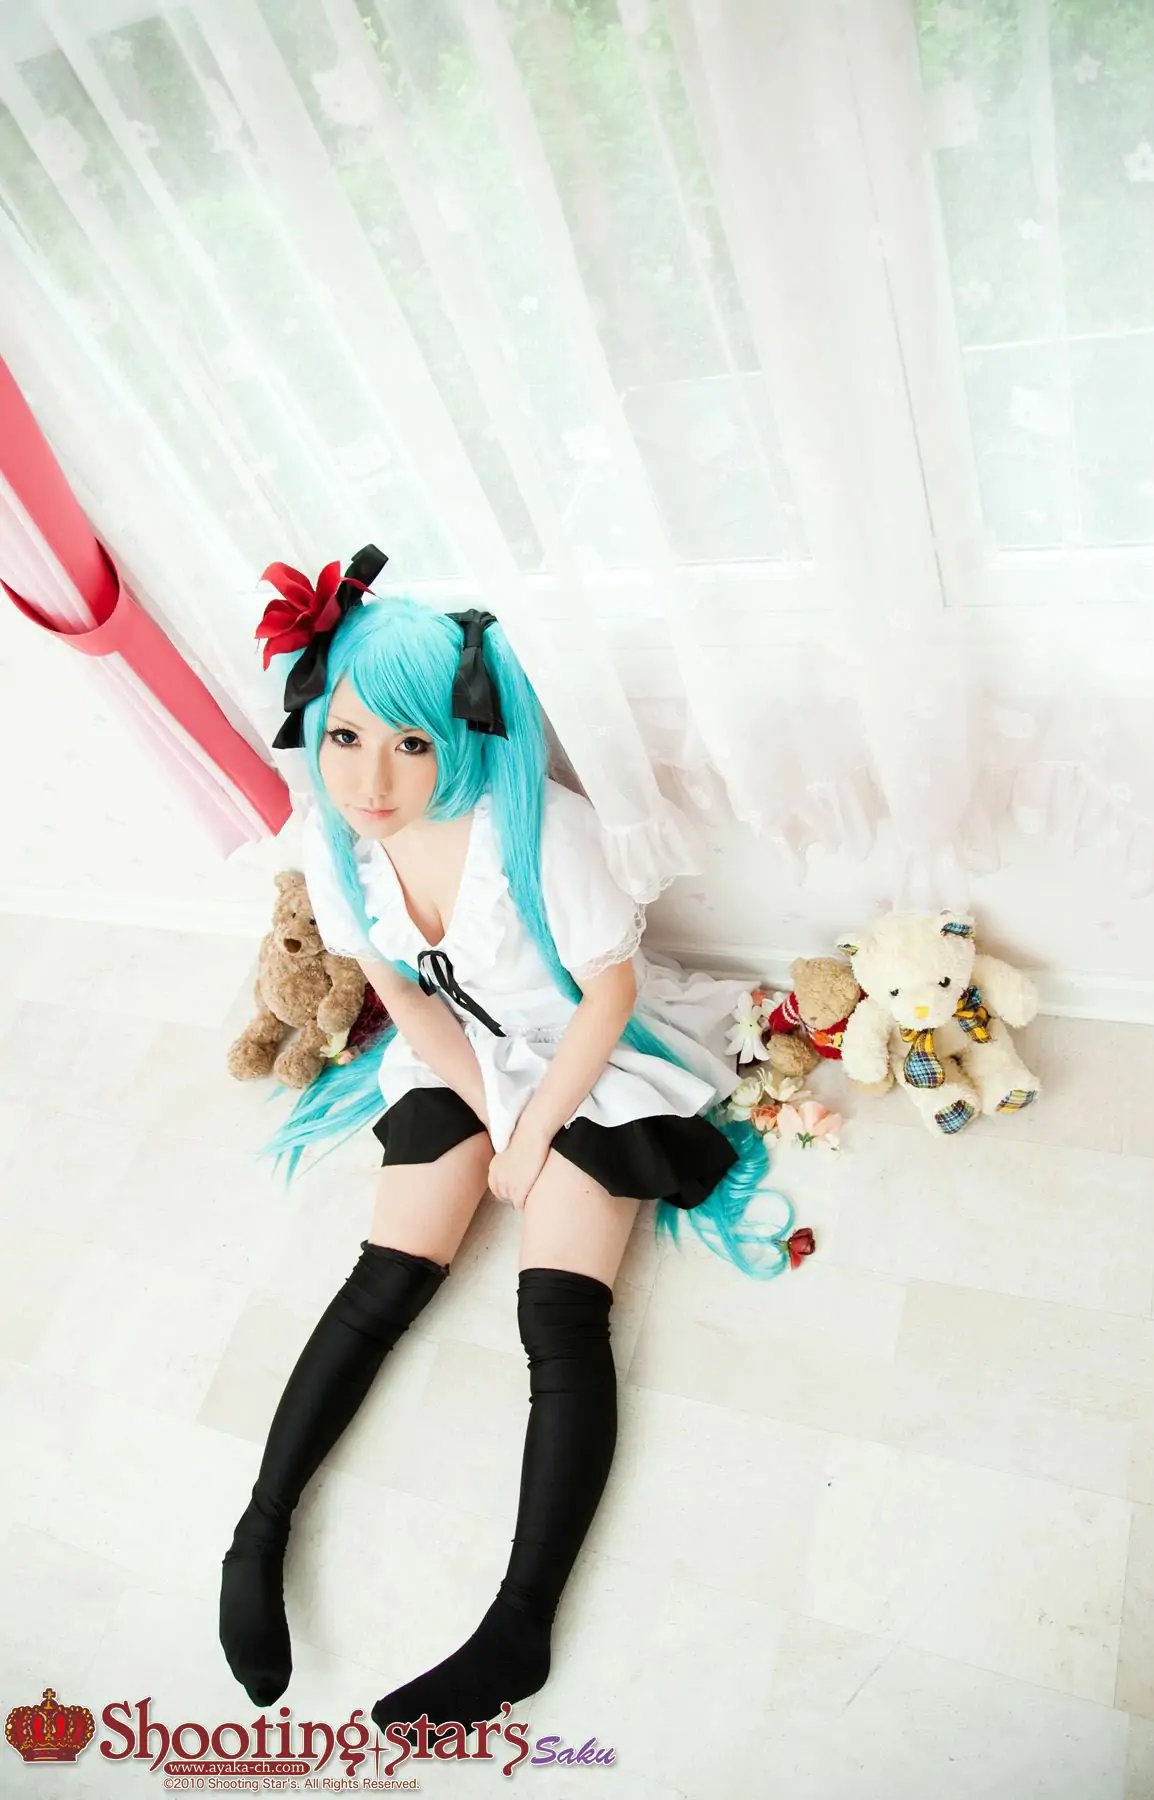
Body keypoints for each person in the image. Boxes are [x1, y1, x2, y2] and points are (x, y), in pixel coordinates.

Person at [218, 547, 796, 1735]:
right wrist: (487, 1107)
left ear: (464, 732)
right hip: (466, 1049)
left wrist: (534, 1135)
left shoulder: (539, 831)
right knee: (387, 1275)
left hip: (593, 1050)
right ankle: (258, 1534)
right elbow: (400, 991)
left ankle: (519, 1626)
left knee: (558, 1317)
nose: (371, 777)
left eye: (412, 743)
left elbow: (607, 994)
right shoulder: (336, 837)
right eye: (346, 737)